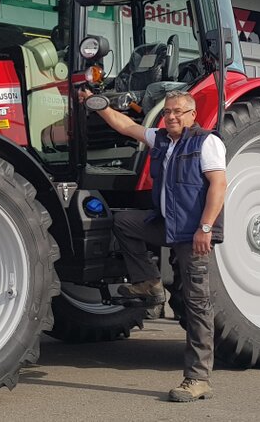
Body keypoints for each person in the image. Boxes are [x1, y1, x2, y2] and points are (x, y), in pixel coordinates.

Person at [78, 87, 227, 403]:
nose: (171, 116)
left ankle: (198, 379)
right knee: (124, 222)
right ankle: (149, 282)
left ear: (192, 115)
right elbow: (126, 126)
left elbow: (218, 185)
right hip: (167, 225)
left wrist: (205, 228)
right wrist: (99, 104)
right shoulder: (161, 140)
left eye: (177, 112)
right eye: (167, 111)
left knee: (197, 302)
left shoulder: (206, 142)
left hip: (193, 234)